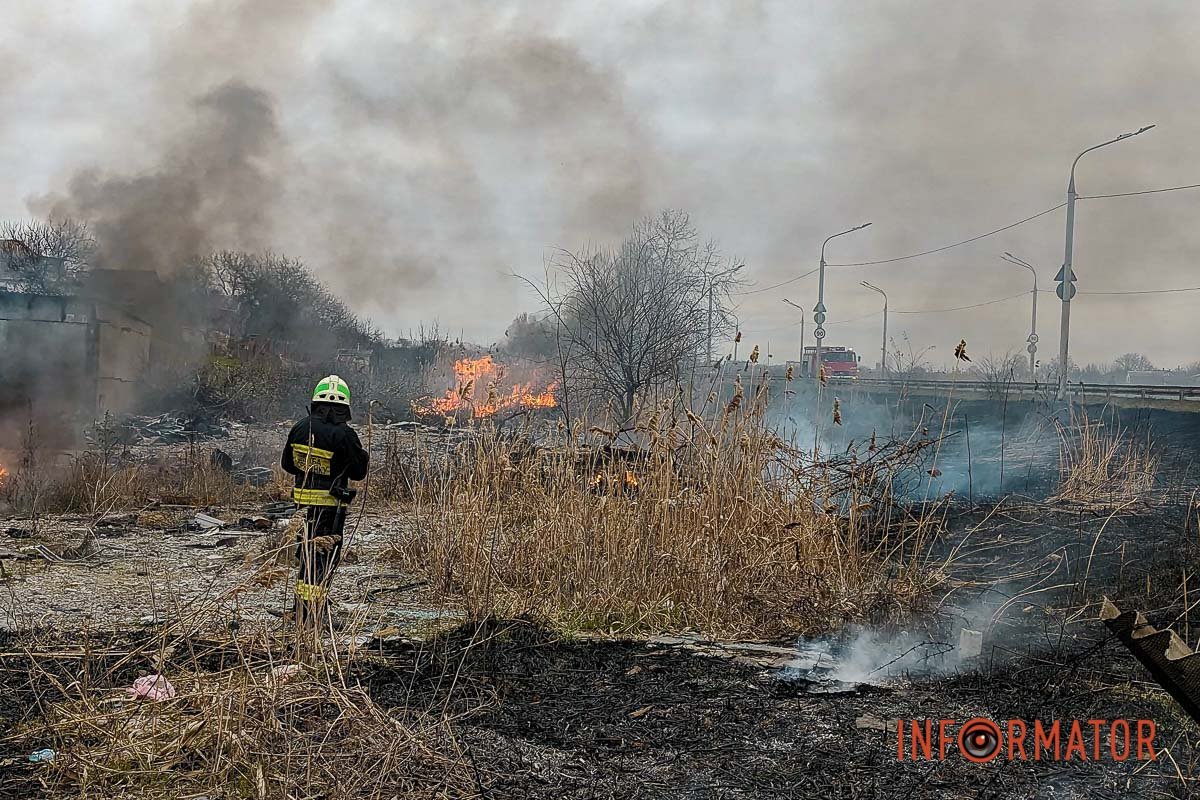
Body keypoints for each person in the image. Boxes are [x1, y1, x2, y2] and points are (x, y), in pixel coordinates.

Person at [280, 374, 369, 624]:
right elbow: (358, 473)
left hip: (302, 507)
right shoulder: (344, 434)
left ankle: (300, 609)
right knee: (322, 559)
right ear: (345, 406)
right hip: (329, 509)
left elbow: (287, 464)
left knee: (306, 554)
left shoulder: (299, 427)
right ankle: (312, 615)